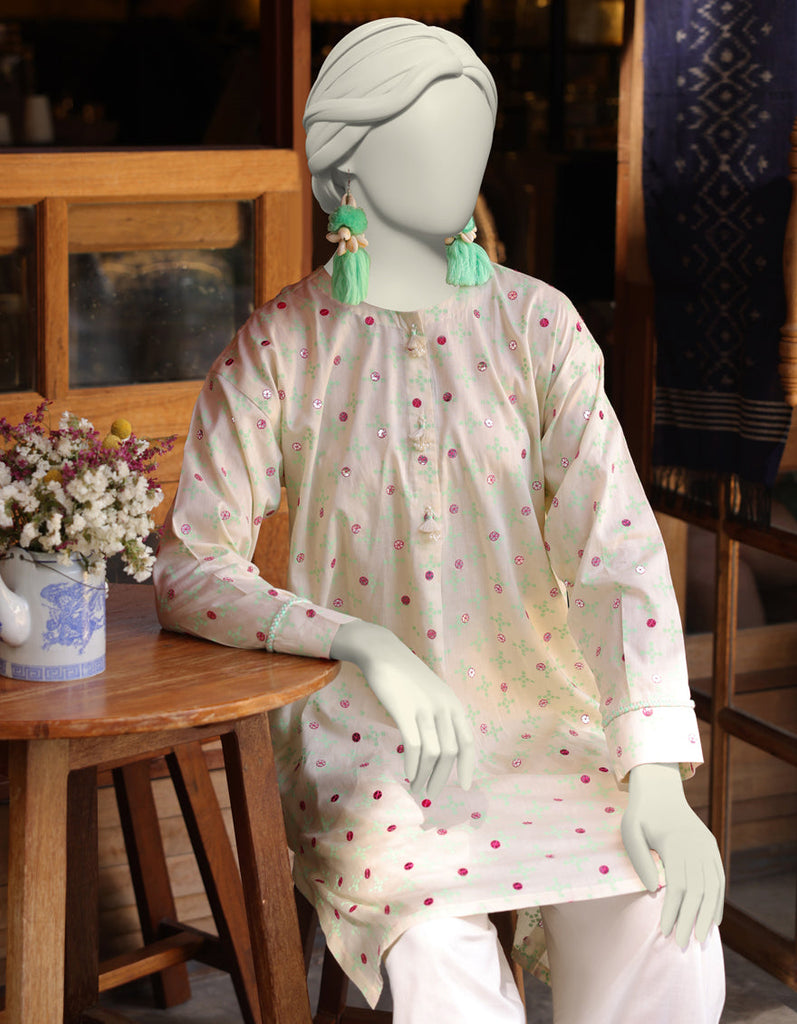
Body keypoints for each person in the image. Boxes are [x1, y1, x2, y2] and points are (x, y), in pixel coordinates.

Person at [154, 18, 725, 1023]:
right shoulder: (280, 347)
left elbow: (618, 556)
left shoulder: (539, 327)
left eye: (472, 137)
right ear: (346, 171)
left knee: (661, 912)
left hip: (549, 718)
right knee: (435, 952)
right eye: (427, 139)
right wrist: (361, 641)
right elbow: (190, 565)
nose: (459, 163)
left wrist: (652, 770)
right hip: (364, 733)